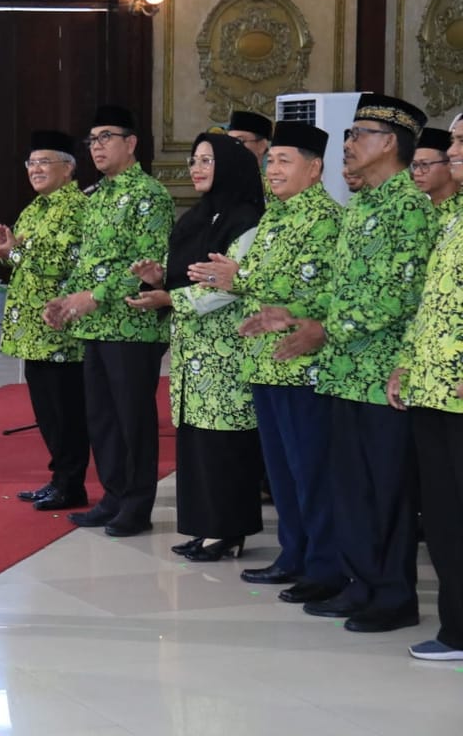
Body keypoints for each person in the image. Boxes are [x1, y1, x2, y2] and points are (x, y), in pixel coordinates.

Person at [241, 94, 435, 633]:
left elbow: (396, 296)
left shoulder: (408, 207)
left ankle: (392, 596)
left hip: (383, 378)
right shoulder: (363, 206)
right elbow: (338, 292)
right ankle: (359, 584)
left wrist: (324, 329)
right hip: (342, 374)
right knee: (350, 490)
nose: (348, 144)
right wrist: (292, 315)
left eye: (358, 134)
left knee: (385, 495)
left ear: (389, 142)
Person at [215, 122, 345, 603]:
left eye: (285, 160)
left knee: (311, 469)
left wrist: (241, 277)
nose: (273, 169)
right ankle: (293, 554)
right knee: (283, 471)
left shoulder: (326, 220)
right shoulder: (274, 217)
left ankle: (324, 565)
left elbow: (317, 292)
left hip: (302, 365)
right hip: (265, 363)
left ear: (315, 169)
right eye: (271, 160)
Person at [128, 133, 265, 561]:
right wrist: (157, 280)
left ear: (230, 165)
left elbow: (230, 287)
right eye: (193, 159)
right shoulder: (196, 218)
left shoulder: (247, 220)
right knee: (196, 441)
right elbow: (187, 277)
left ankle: (228, 530)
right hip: (192, 353)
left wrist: (171, 297)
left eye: (207, 160)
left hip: (228, 351)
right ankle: (205, 525)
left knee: (224, 442)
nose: (196, 167)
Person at [45, 105, 173, 538]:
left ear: (130, 143)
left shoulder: (149, 194)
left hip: (132, 326)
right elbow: (87, 263)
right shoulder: (96, 196)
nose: (96, 147)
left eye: (105, 138)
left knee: (132, 418)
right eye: (92, 140)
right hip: (96, 326)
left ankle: (137, 504)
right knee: (101, 417)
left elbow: (148, 263)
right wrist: (67, 301)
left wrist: (94, 296)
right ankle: (114, 496)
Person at [386, 111, 463, 661]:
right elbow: (430, 305)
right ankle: (456, 628)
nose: (453, 148)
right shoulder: (453, 217)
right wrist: (406, 364)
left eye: (462, 140)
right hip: (433, 387)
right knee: (441, 515)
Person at [0, 130, 89, 511]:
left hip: (60, 329)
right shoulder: (35, 208)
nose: (36, 169)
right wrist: (6, 253)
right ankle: (58, 478)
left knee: (66, 411)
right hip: (33, 332)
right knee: (47, 410)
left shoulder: (74, 208)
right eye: (31, 163)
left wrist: (17, 253)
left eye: (45, 162)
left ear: (69, 168)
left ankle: (71, 484)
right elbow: (24, 263)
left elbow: (64, 264)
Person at [411, 126, 459, 210]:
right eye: (415, 165)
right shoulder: (418, 210)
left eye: (424, 164)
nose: (417, 173)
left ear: (450, 165)